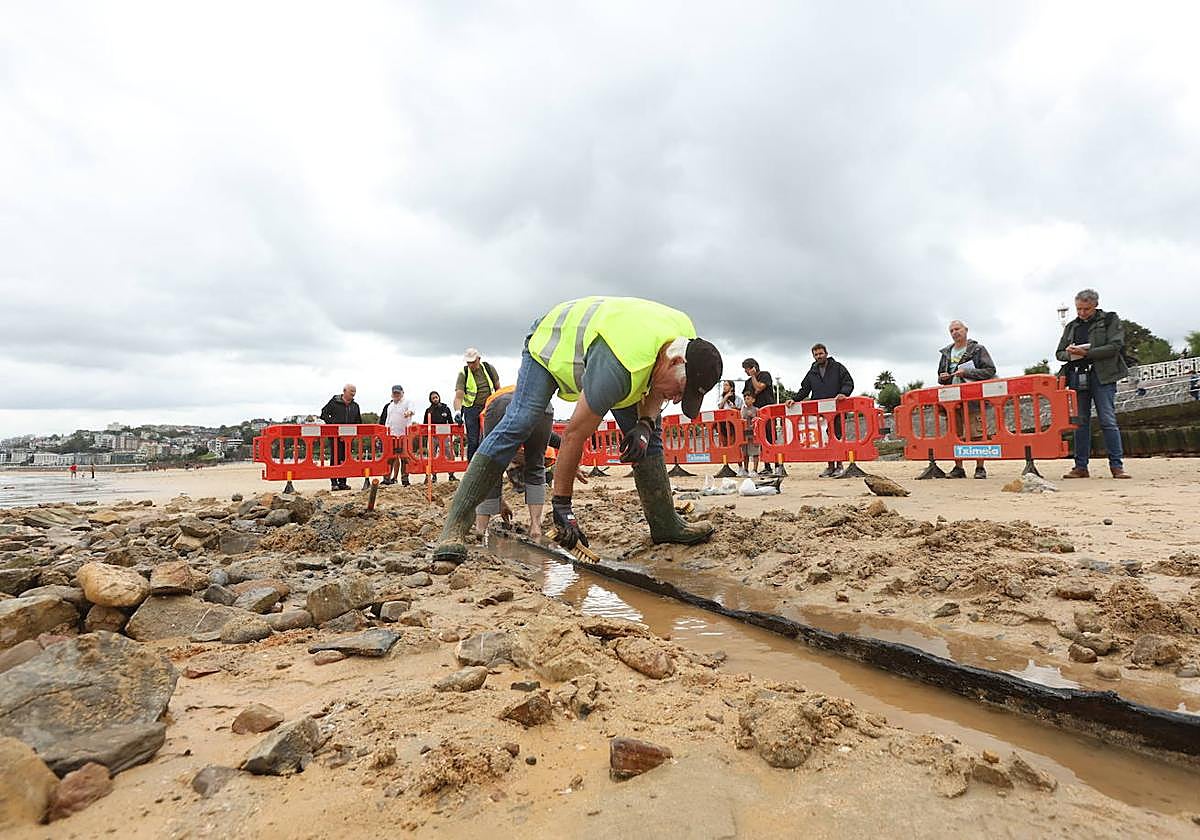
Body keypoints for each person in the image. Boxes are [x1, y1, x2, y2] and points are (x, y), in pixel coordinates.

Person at [432, 296, 723, 563]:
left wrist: (645, 425)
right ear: (675, 362)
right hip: (550, 344)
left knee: (650, 440)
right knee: (521, 421)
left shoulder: (685, 341)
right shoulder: (618, 367)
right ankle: (455, 525)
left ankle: (665, 524)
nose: (674, 399)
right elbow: (574, 435)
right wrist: (563, 506)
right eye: (680, 391)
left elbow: (660, 386)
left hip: (623, 351)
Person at [473, 385, 577, 539]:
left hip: (502, 405)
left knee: (491, 467)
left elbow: (486, 463)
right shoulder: (543, 453)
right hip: (541, 405)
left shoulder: (546, 456)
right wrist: (574, 463)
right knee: (535, 468)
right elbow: (558, 441)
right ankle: (536, 527)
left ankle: (481, 530)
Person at [1056, 289, 1131, 479]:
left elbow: (1115, 346)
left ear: (1095, 305)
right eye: (1079, 309)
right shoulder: (1072, 326)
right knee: (1080, 422)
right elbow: (1059, 353)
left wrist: (1087, 353)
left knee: (1107, 419)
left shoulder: (1110, 319)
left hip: (1103, 375)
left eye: (1086, 309)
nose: (1082, 313)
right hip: (1077, 375)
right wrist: (1070, 353)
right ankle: (1080, 466)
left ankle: (1117, 466)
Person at [936, 321, 997, 479]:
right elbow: (940, 376)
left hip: (973, 399)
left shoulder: (978, 349)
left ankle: (980, 467)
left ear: (966, 330)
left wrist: (967, 373)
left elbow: (990, 370)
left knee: (977, 433)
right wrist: (943, 377)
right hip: (951, 399)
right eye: (951, 330)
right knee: (955, 434)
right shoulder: (946, 353)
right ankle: (958, 467)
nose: (955, 332)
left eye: (957, 329)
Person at [790, 343, 855, 477]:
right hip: (820, 412)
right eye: (816, 354)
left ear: (826, 353)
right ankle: (830, 466)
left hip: (837, 409)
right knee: (825, 438)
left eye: (821, 353)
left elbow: (848, 382)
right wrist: (794, 399)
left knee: (837, 436)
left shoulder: (838, 367)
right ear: (813, 356)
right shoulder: (812, 372)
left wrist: (844, 393)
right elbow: (805, 389)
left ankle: (840, 465)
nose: (819, 356)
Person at [454, 348, 500, 462]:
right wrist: (458, 412)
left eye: (473, 362)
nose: (471, 365)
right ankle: (471, 469)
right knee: (473, 441)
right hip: (471, 410)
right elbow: (458, 397)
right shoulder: (463, 373)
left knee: (487, 439)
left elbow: (498, 389)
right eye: (468, 362)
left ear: (479, 359)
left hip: (488, 408)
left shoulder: (489, 369)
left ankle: (488, 468)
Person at [320, 383, 361, 491]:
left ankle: (343, 482)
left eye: (354, 392)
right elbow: (323, 414)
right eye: (351, 392)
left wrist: (355, 434)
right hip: (334, 435)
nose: (353, 394)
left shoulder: (355, 406)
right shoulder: (334, 402)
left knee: (345, 458)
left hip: (348, 437)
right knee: (335, 458)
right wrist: (332, 424)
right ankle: (334, 483)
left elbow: (358, 422)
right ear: (344, 391)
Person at [380, 385, 415, 486]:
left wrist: (409, 412)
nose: (396, 395)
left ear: (402, 393)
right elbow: (388, 420)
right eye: (394, 393)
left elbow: (412, 410)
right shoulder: (390, 406)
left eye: (398, 393)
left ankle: (405, 478)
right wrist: (386, 432)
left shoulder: (407, 402)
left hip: (404, 435)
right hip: (392, 435)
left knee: (405, 457)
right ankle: (387, 478)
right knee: (390, 458)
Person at [422, 391, 457, 483]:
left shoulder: (446, 408)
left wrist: (452, 433)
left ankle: (451, 474)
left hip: (445, 435)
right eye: (433, 398)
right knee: (432, 456)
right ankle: (433, 476)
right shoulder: (428, 411)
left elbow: (451, 422)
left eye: (436, 397)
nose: (435, 399)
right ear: (431, 400)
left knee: (450, 454)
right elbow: (425, 424)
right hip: (433, 436)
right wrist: (426, 436)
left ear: (439, 397)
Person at [739, 391, 760, 475]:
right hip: (744, 434)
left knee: (755, 452)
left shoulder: (756, 409)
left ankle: (755, 470)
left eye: (748, 398)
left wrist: (753, 416)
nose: (746, 400)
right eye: (745, 398)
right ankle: (746, 469)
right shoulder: (742, 410)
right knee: (745, 453)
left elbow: (759, 420)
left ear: (753, 400)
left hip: (754, 434)